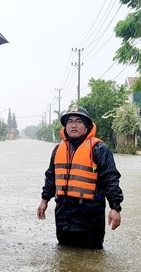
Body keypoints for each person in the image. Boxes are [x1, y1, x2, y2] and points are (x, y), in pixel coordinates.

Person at [37, 106, 123, 249]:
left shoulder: (100, 149)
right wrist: (44, 200)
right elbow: (51, 177)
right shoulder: (58, 149)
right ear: (65, 126)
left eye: (79, 121)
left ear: (87, 126)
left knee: (91, 257)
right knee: (64, 254)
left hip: (89, 214)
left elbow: (111, 179)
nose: (74, 125)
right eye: (70, 121)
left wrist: (115, 208)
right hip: (63, 212)